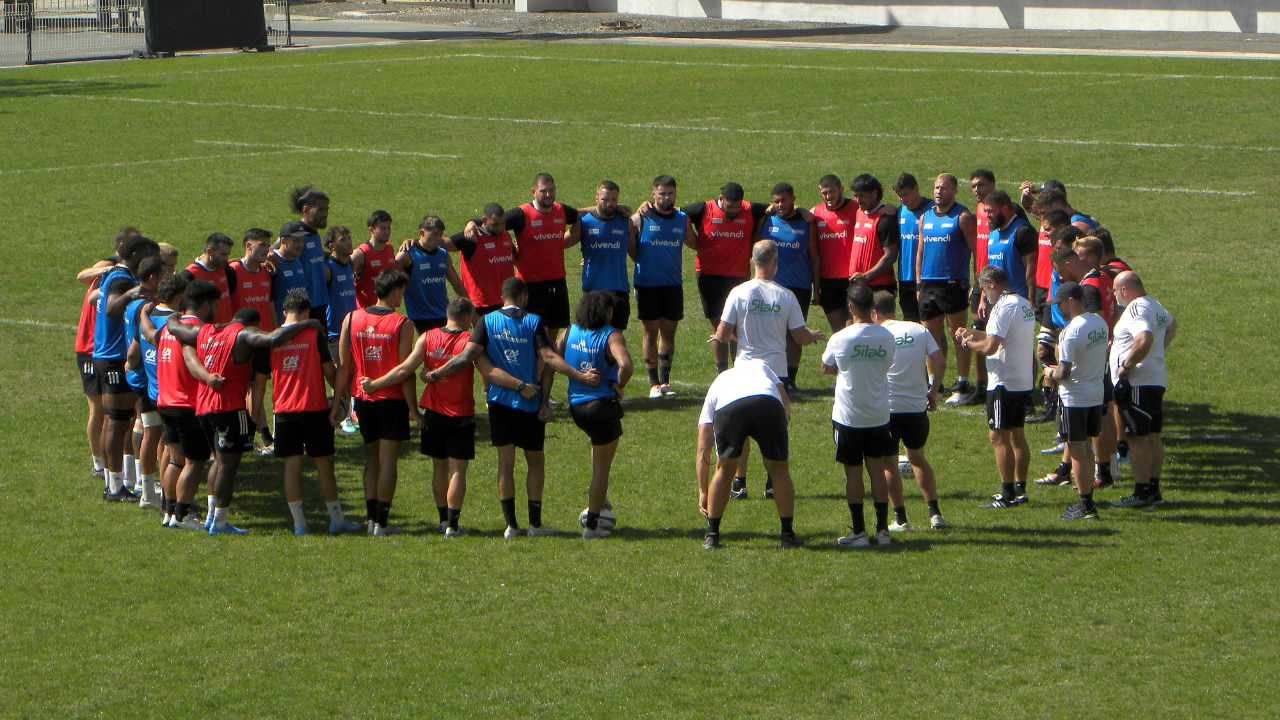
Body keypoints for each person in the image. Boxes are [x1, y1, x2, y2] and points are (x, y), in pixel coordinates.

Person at [423, 277, 600, 539]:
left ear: (502, 296)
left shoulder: (487, 321)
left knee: (505, 464)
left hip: (499, 403)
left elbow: (466, 357)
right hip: (528, 402)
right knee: (535, 462)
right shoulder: (533, 321)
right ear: (523, 296)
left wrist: (435, 374)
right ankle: (535, 524)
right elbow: (549, 358)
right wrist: (580, 376)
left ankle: (510, 526)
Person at [166, 305, 322, 535]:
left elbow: (174, 328)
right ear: (252, 324)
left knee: (218, 461)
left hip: (203, 409)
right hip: (230, 408)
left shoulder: (205, 331)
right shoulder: (243, 333)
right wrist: (306, 323)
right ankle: (220, 522)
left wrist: (172, 315)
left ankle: (211, 517)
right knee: (228, 466)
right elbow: (274, 338)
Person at [361, 297, 488, 537]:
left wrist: (374, 384)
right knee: (457, 471)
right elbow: (486, 369)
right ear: (465, 318)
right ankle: (453, 526)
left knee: (439, 467)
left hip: (433, 413)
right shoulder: (468, 341)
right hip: (461, 413)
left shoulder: (427, 337)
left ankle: (442, 520)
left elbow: (404, 369)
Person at [712, 239, 825, 499]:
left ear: (753, 261)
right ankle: (772, 482)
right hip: (775, 373)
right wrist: (813, 336)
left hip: (744, 370)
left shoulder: (738, 293)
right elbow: (799, 337)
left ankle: (739, 482)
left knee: (742, 428)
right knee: (774, 429)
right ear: (776, 262)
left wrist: (724, 335)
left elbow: (723, 334)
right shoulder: (786, 296)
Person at [270, 290, 362, 535]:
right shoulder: (313, 336)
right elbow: (330, 373)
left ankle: (299, 524)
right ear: (307, 312)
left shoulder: (273, 338)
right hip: (314, 408)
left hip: (283, 411)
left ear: (284, 311)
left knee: (291, 467)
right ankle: (337, 521)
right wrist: (341, 397)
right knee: (324, 467)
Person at [333, 270, 417, 537]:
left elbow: (343, 367)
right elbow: (405, 371)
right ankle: (382, 522)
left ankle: (371, 520)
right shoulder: (402, 323)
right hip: (391, 401)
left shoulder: (351, 318)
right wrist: (414, 410)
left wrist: (337, 403)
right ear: (395, 292)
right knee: (388, 461)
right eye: (402, 292)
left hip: (363, 401)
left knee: (372, 457)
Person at [955, 266, 1037, 508]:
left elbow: (991, 347)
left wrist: (967, 345)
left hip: (1003, 381)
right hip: (1021, 379)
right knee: (1017, 435)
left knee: (998, 436)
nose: (984, 295)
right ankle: (1020, 489)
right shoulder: (1023, 303)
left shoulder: (1003, 306)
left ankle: (1007, 494)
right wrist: (971, 333)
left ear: (991, 283)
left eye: (983, 289)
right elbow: (1000, 336)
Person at [822, 284, 898, 547]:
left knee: (853, 473)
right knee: (877, 470)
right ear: (873, 307)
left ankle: (858, 532)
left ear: (850, 306)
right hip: (879, 415)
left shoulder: (841, 337)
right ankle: (883, 531)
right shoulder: (886, 336)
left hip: (848, 417)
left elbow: (826, 366)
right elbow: (887, 364)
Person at [696, 359, 798, 550]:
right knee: (779, 471)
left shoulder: (720, 380)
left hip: (731, 408)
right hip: (768, 403)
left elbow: (703, 447)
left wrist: (703, 491)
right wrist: (781, 428)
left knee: (724, 471)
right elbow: (785, 399)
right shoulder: (762, 366)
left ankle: (712, 535)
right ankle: (787, 536)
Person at [464, 173, 579, 340]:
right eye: (543, 190)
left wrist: (615, 208)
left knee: (553, 333)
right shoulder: (521, 214)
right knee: (535, 335)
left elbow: (581, 215)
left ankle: (549, 358)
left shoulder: (561, 210)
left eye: (551, 190)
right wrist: (471, 222)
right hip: (530, 284)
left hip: (558, 281)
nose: (548, 194)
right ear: (534, 191)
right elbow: (494, 221)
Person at [871, 291, 947, 531]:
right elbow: (940, 361)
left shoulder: (877, 334)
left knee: (889, 464)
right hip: (916, 408)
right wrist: (933, 391)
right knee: (918, 458)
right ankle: (935, 513)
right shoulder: (918, 329)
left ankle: (901, 519)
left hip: (888, 409)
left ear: (875, 313)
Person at [560, 291, 633, 538]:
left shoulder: (570, 331)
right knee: (602, 470)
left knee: (599, 450)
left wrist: (577, 375)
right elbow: (626, 365)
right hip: (601, 407)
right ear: (607, 312)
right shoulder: (611, 335)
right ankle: (592, 525)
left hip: (576, 407)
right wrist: (619, 385)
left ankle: (599, 500)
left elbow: (553, 358)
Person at [147, 278, 219, 530]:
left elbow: (149, 335)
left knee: (175, 460)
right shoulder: (195, 331)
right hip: (188, 405)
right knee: (194, 462)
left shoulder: (169, 328)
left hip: (165, 402)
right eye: (215, 306)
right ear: (206, 305)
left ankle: (169, 512)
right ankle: (182, 515)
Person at [95, 235, 161, 502]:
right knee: (118, 422)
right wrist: (131, 294)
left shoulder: (112, 273)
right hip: (114, 356)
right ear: (135, 255)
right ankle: (114, 488)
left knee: (115, 421)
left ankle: (114, 482)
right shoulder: (122, 278)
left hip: (105, 354)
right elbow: (111, 308)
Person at [682, 182, 772, 371]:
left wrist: (800, 210)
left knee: (738, 329)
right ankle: (722, 372)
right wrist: (691, 239)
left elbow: (777, 206)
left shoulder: (750, 209)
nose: (734, 211)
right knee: (719, 327)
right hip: (709, 276)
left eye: (738, 207)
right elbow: (678, 214)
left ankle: (738, 370)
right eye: (730, 207)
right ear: (721, 199)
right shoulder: (703, 209)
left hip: (739, 278)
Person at [1042, 282, 1109, 521]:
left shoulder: (1071, 331)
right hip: (1096, 393)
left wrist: (1049, 373)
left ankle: (1086, 504)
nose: (1058, 309)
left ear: (1071, 301)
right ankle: (1088, 498)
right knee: (1087, 447)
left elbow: (1064, 372)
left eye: (1059, 304)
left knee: (1077, 451)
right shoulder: (1099, 323)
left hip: (1075, 398)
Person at [1109, 271, 1176, 509]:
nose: (1114, 295)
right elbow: (1172, 326)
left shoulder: (1136, 308)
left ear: (1124, 289)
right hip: (1155, 379)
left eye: (1115, 290)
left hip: (1137, 382)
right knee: (1153, 436)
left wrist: (1126, 365)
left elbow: (1144, 338)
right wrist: (1156, 353)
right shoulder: (1155, 304)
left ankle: (1141, 492)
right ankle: (1153, 490)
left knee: (1137, 438)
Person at [915, 173, 977, 404]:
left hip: (953, 283)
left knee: (958, 335)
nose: (939, 191)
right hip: (928, 284)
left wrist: (976, 283)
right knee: (929, 337)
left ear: (954, 191)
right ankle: (935, 385)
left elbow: (976, 250)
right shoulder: (925, 217)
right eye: (936, 187)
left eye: (944, 188)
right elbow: (920, 253)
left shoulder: (962, 217)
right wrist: (919, 284)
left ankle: (962, 383)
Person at [631, 174, 692, 399]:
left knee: (669, 332)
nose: (666, 197)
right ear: (654, 194)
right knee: (649, 332)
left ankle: (665, 381)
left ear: (675, 194)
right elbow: (623, 235)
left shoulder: (682, 218)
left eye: (670, 193)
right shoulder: (642, 216)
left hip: (672, 284)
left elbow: (695, 242)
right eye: (662, 193)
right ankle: (653, 384)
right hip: (647, 284)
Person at [759, 182, 819, 391]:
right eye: (776, 201)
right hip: (770, 286)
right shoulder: (766, 220)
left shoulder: (806, 222)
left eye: (784, 200)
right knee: (771, 333)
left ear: (793, 198)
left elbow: (814, 257)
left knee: (794, 334)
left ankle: (790, 379)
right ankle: (771, 376)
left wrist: (817, 288)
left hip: (799, 287)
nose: (780, 204)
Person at [122, 256, 167, 510]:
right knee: (154, 432)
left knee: (144, 426)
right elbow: (136, 347)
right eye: (164, 274)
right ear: (152, 278)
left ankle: (143, 482)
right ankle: (149, 484)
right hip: (146, 377)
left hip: (138, 376)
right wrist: (131, 362)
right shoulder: (147, 308)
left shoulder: (132, 304)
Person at [579, 180, 635, 331]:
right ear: (597, 198)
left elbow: (634, 251)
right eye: (605, 199)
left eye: (613, 200)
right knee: (592, 336)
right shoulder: (585, 222)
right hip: (593, 290)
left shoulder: (625, 222)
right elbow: (562, 240)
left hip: (619, 290)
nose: (609, 203)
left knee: (616, 337)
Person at [396, 215, 466, 334]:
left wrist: (469, 308)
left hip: (444, 314)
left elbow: (457, 284)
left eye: (440, 234)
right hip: (420, 317)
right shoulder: (407, 255)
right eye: (434, 234)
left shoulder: (443, 255)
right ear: (422, 233)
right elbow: (389, 281)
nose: (438, 238)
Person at [447, 203, 515, 315]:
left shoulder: (505, 235)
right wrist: (417, 243)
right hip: (482, 305)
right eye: (495, 224)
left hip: (506, 301)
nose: (500, 227)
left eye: (503, 223)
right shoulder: (472, 237)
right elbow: (442, 243)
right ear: (484, 220)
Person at [811, 174, 858, 332]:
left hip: (852, 278)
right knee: (838, 332)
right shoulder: (816, 213)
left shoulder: (856, 208)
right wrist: (816, 288)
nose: (828, 196)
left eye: (832, 192)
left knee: (852, 328)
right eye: (824, 193)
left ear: (841, 190)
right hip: (828, 282)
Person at [284, 185, 331, 321]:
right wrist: (270, 256)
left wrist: (333, 255)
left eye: (326, 209)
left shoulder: (314, 234)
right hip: (304, 307)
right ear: (306, 210)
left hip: (319, 302)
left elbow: (312, 254)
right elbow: (276, 250)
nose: (325, 214)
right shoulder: (296, 233)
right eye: (320, 209)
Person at [892, 173, 933, 323]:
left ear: (916, 188)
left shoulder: (932, 210)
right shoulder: (900, 211)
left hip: (927, 277)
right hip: (905, 277)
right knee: (910, 322)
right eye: (899, 195)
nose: (902, 199)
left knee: (930, 324)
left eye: (905, 194)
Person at [181, 233, 238, 325]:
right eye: (223, 254)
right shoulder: (190, 275)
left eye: (228, 255)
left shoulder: (226, 270)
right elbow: (182, 305)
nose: (226, 259)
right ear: (209, 252)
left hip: (226, 329)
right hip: (202, 331)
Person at [230, 229, 275, 332]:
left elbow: (270, 305)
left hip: (265, 335)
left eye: (268, 246)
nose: (266, 250)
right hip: (242, 335)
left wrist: (275, 330)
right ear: (248, 246)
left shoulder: (267, 272)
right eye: (262, 245)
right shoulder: (233, 271)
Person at [352, 210, 397, 309]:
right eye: (383, 228)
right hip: (367, 311)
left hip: (388, 310)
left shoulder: (390, 248)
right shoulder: (361, 253)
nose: (387, 232)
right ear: (371, 230)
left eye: (388, 228)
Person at [270, 227, 311, 328]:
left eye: (302, 241)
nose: (301, 245)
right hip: (282, 327)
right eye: (296, 241)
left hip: (300, 325)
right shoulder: (273, 262)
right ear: (283, 240)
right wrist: (275, 328)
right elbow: (270, 300)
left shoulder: (297, 260)